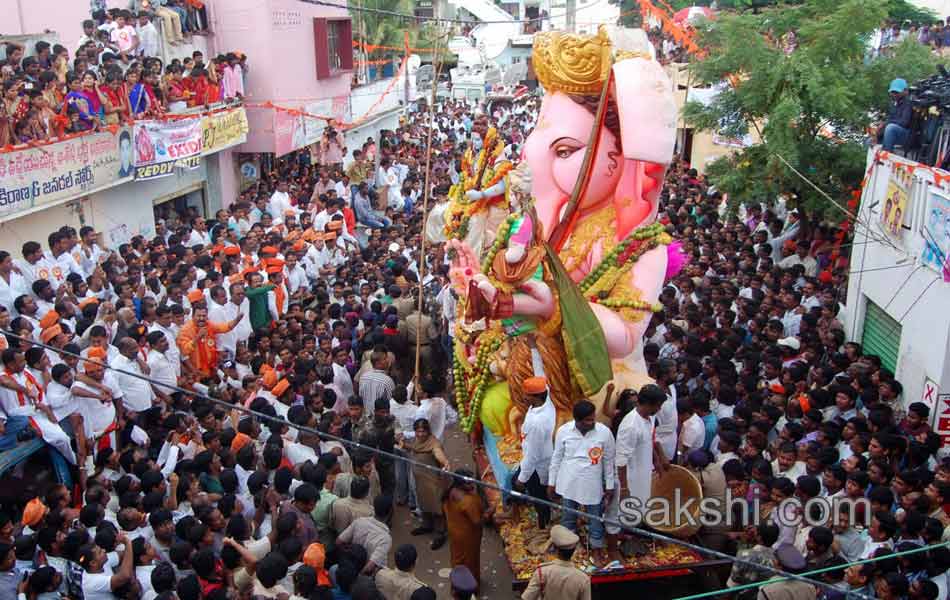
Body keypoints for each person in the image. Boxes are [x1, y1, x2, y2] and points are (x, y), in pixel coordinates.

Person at [548, 400, 615, 566]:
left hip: (593, 485)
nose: (592, 422)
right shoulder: (563, 431)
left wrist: (610, 485)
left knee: (595, 519)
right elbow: (556, 458)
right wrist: (551, 483)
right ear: (577, 420)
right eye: (587, 420)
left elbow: (608, 461)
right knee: (568, 517)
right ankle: (567, 550)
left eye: (593, 419)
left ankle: (596, 550)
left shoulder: (604, 432)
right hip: (568, 483)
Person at [513, 376, 556, 529]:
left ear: (535, 397)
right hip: (538, 458)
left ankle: (543, 525)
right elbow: (541, 375)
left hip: (537, 467)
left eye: (526, 394)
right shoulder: (546, 400)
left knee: (540, 498)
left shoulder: (537, 422)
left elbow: (533, 454)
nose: (523, 397)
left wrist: (522, 478)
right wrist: (534, 351)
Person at [401, 417, 450, 549]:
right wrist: (404, 445)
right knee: (423, 503)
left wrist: (445, 462)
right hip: (420, 481)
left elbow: (438, 453)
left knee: (436, 507)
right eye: (418, 431)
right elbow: (415, 448)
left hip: (433, 483)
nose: (420, 434)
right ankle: (427, 526)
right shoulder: (417, 441)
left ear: (428, 431)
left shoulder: (434, 443)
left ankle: (440, 533)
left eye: (423, 431)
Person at [442, 469, 492, 583]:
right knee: (470, 561)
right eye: (468, 483)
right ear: (461, 484)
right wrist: (489, 513)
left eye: (472, 481)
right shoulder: (468, 501)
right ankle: (469, 587)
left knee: (458, 558)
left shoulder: (451, 491)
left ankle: (458, 584)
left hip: (455, 532)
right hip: (467, 536)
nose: (472, 484)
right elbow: (477, 522)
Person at [521, 525, 591, 600]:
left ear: (554, 548)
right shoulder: (583, 578)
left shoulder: (542, 572)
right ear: (574, 551)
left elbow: (527, 597)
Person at [879, 78, 912, 151]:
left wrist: (886, 123)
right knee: (869, 141)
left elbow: (904, 122)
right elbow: (890, 118)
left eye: (897, 92)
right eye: (893, 92)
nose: (894, 94)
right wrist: (878, 129)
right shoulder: (893, 103)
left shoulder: (908, 103)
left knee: (890, 128)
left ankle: (887, 153)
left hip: (907, 135)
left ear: (905, 91)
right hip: (892, 133)